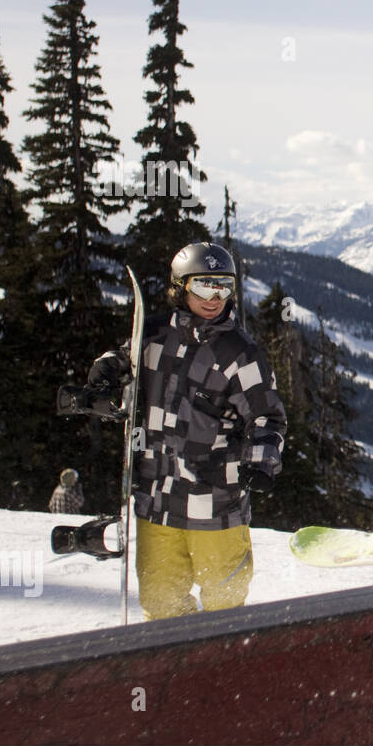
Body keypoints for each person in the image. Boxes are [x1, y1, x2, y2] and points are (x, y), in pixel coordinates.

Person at [87, 243, 286, 619]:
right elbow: (124, 360)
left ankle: (222, 667)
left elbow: (267, 417)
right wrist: (107, 370)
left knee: (224, 604)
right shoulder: (154, 335)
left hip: (216, 501)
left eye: (223, 287)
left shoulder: (239, 353)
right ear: (180, 287)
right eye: (203, 286)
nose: (214, 298)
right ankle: (174, 671)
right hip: (156, 502)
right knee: (161, 604)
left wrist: (261, 462)